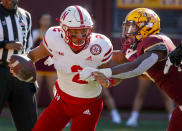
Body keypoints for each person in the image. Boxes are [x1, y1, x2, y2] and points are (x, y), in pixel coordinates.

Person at [80, 8, 182, 131]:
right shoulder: (137, 49)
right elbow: (119, 70)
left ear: (147, 27)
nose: (127, 32)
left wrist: (104, 72)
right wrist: (103, 75)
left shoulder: (157, 41)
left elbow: (137, 67)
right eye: (126, 27)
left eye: (132, 27)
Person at [10, 5, 115, 131]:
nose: (80, 37)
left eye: (83, 32)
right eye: (74, 32)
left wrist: (107, 81)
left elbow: (113, 75)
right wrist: (20, 64)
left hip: (88, 104)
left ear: (90, 29)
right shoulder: (54, 37)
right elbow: (33, 55)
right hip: (61, 101)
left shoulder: (100, 45)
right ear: (63, 30)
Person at [0, 0, 37, 130]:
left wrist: (31, 72)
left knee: (29, 122)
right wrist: (5, 45)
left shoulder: (25, 15)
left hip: (21, 72)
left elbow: (29, 46)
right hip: (1, 69)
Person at [32, 13, 57, 103]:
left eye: (47, 19)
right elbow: (29, 50)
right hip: (37, 67)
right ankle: (33, 115)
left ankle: (57, 116)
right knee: (35, 93)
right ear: (39, 21)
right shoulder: (34, 33)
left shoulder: (54, 34)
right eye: (44, 19)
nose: (45, 22)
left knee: (54, 93)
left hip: (51, 66)